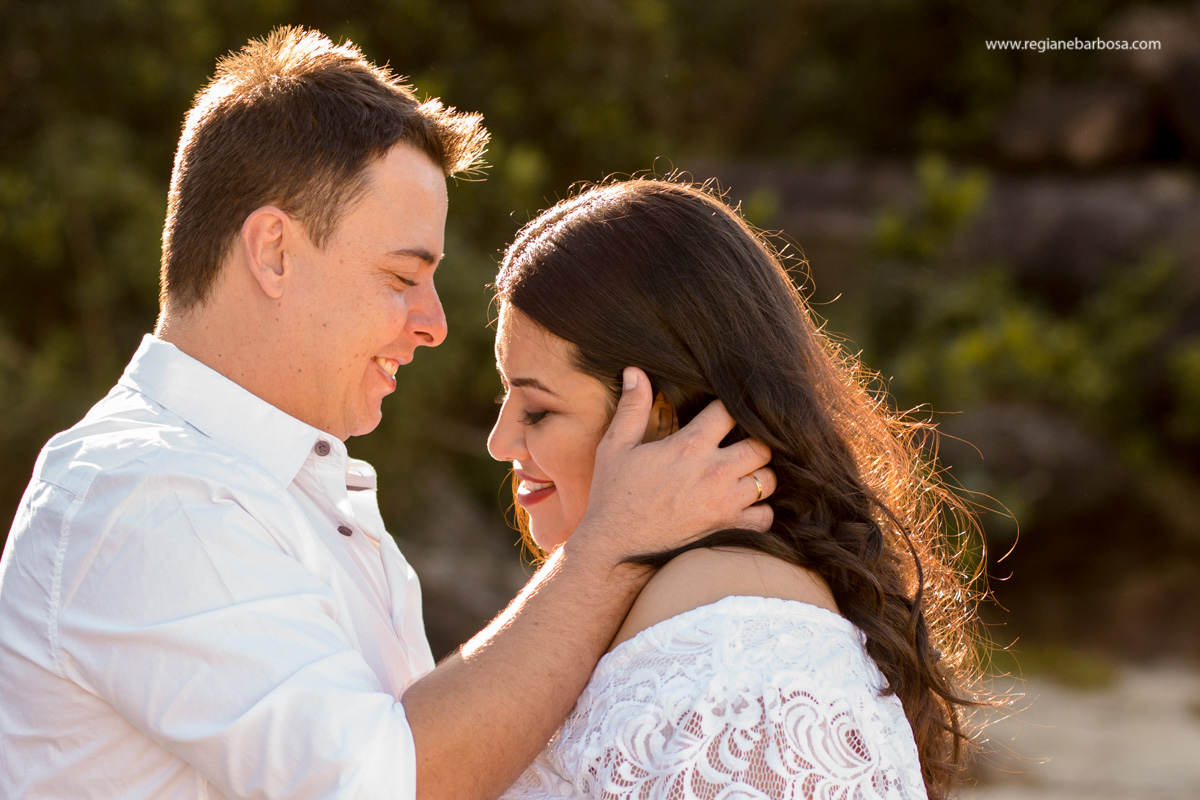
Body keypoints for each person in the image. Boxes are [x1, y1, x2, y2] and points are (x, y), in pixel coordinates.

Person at [0, 29, 776, 800]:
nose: (433, 324)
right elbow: (390, 785)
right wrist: (613, 542)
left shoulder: (279, 489)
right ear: (273, 251)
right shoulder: (148, 496)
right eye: (403, 275)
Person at [488, 179, 986, 800]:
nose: (499, 441)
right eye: (504, 397)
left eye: (537, 410)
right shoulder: (650, 612)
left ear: (660, 419)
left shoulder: (745, 666)